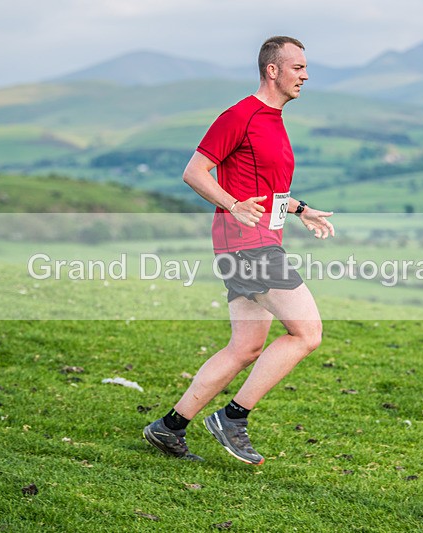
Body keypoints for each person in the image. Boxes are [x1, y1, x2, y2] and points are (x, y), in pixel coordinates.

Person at [143, 36, 335, 465]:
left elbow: (265, 189)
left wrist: (299, 209)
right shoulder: (240, 115)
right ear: (273, 70)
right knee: (307, 333)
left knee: (245, 347)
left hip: (259, 242)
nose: (305, 75)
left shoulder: (274, 120)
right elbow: (194, 171)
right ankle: (233, 418)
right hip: (247, 245)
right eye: (298, 67)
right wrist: (230, 203)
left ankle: (169, 428)